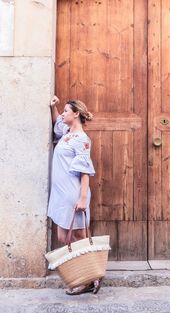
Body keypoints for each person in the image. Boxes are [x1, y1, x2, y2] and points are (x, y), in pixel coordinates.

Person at [48, 95, 101, 295]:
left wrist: (83, 198)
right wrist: (55, 108)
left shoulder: (81, 139)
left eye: (66, 112)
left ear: (76, 114)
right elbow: (57, 125)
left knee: (79, 236)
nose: (63, 115)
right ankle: (92, 274)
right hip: (61, 194)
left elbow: (85, 170)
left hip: (73, 193)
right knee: (65, 236)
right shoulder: (67, 133)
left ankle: (88, 278)